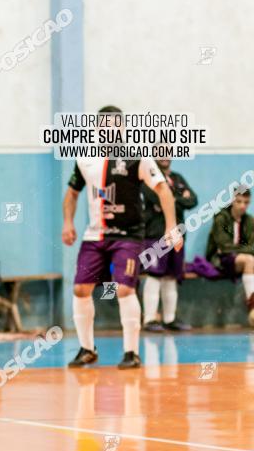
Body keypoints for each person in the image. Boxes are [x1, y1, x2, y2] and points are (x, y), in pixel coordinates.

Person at [61, 106, 181, 370]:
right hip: (94, 236)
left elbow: (163, 190)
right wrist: (68, 222)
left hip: (128, 236)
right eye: (104, 125)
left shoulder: (138, 156)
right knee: (80, 289)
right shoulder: (85, 158)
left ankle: (131, 353)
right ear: (97, 128)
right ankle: (87, 349)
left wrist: (171, 227)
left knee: (124, 288)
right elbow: (71, 194)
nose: (109, 130)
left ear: (122, 128)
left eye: (115, 125)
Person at [141, 159, 198, 332]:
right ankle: (150, 319)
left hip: (177, 235)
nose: (165, 156)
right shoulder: (149, 177)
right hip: (156, 235)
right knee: (154, 275)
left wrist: (170, 199)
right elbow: (156, 197)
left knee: (171, 276)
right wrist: (180, 197)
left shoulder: (177, 177)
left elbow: (193, 200)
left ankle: (169, 318)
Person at [206, 187, 254, 326]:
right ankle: (252, 307)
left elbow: (252, 247)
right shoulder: (221, 218)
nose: (242, 206)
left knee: (249, 259)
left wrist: (240, 250)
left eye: (246, 202)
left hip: (239, 259)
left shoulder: (249, 221)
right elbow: (224, 246)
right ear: (232, 200)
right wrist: (244, 250)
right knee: (249, 260)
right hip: (220, 260)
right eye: (239, 201)